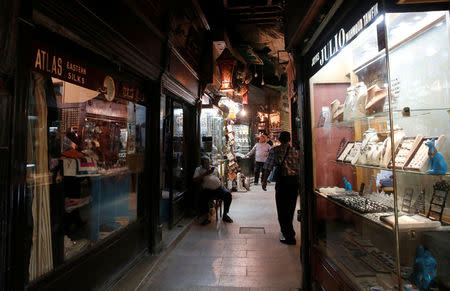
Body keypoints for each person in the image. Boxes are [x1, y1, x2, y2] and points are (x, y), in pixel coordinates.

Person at [262, 131, 299, 245]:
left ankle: (288, 234)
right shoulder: (296, 151)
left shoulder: (275, 151)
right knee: (291, 206)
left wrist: (264, 181)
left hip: (282, 182)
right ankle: (289, 231)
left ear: (279, 139)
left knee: (282, 208)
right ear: (289, 139)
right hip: (294, 181)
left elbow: (268, 167)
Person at [193, 155, 233, 224]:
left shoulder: (214, 168)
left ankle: (225, 215)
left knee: (228, 195)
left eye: (208, 162)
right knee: (202, 197)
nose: (207, 164)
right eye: (205, 163)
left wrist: (222, 185)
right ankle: (208, 217)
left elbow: (220, 178)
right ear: (202, 164)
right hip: (207, 190)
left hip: (219, 188)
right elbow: (195, 179)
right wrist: (206, 173)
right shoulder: (198, 169)